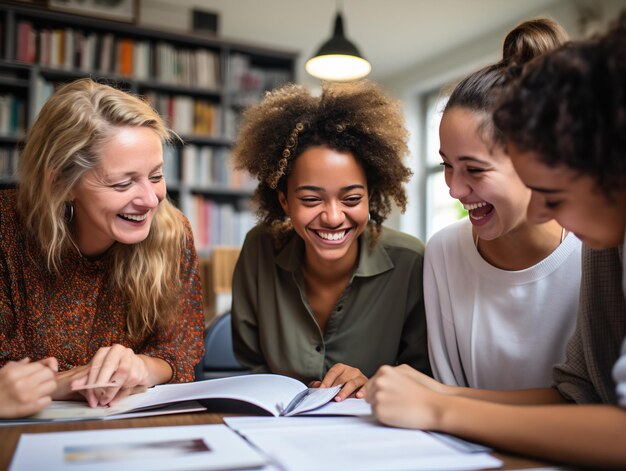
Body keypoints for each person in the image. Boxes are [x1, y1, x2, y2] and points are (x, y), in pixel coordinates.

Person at [366, 13, 626, 468]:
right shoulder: (607, 249)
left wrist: (441, 407)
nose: (543, 211)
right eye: (446, 165)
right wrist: (442, 395)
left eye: (554, 193)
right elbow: (580, 392)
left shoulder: (595, 245)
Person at [0, 78, 205, 413]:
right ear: (61, 184)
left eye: (156, 176)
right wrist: (57, 384)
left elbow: (178, 353)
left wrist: (140, 367)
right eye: (124, 183)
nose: (151, 198)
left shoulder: (173, 234)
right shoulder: (6, 228)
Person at [230, 80, 430, 401]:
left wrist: (372, 384)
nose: (334, 217)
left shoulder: (410, 261)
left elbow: (425, 378)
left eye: (351, 199)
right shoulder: (260, 249)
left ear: (370, 197)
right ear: (284, 202)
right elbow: (250, 365)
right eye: (311, 200)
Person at [426, 18, 581, 390]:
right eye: (447, 166)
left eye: (474, 170)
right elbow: (448, 393)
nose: (455, 190)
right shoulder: (444, 252)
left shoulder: (599, 255)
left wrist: (440, 406)